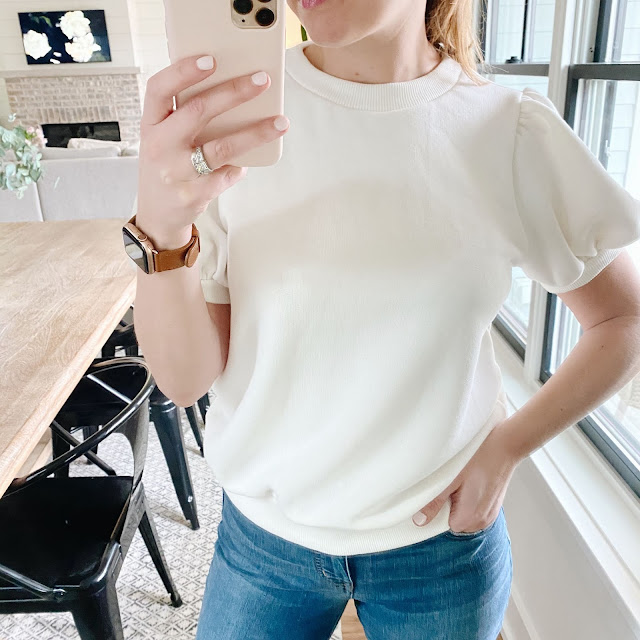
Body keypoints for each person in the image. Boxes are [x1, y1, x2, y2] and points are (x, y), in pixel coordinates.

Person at [131, 0, 640, 638]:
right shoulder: (235, 126)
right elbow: (185, 381)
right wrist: (159, 227)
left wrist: (509, 447)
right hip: (263, 542)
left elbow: (624, 319)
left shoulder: (506, 131)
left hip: (439, 551)